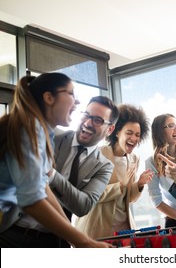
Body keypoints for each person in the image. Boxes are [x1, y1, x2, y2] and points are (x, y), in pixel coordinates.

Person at [0, 73, 112, 248]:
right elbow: (32, 200)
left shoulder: (43, 133)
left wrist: (75, 238)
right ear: (49, 98)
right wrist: (83, 241)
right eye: (71, 93)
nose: (76, 102)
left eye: (97, 120)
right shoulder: (30, 130)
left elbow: (44, 188)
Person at [75, 104, 154, 238]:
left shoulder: (134, 159)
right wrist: (120, 185)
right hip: (97, 229)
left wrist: (139, 185)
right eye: (129, 133)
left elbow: (127, 199)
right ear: (116, 131)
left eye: (137, 135)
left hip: (124, 230)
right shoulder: (97, 154)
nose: (134, 138)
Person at [50, 95, 119, 246]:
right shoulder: (53, 136)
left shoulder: (104, 166)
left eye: (98, 120)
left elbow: (83, 206)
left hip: (55, 240)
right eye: (86, 115)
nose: (88, 123)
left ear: (110, 129)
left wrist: (52, 174)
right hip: (14, 229)